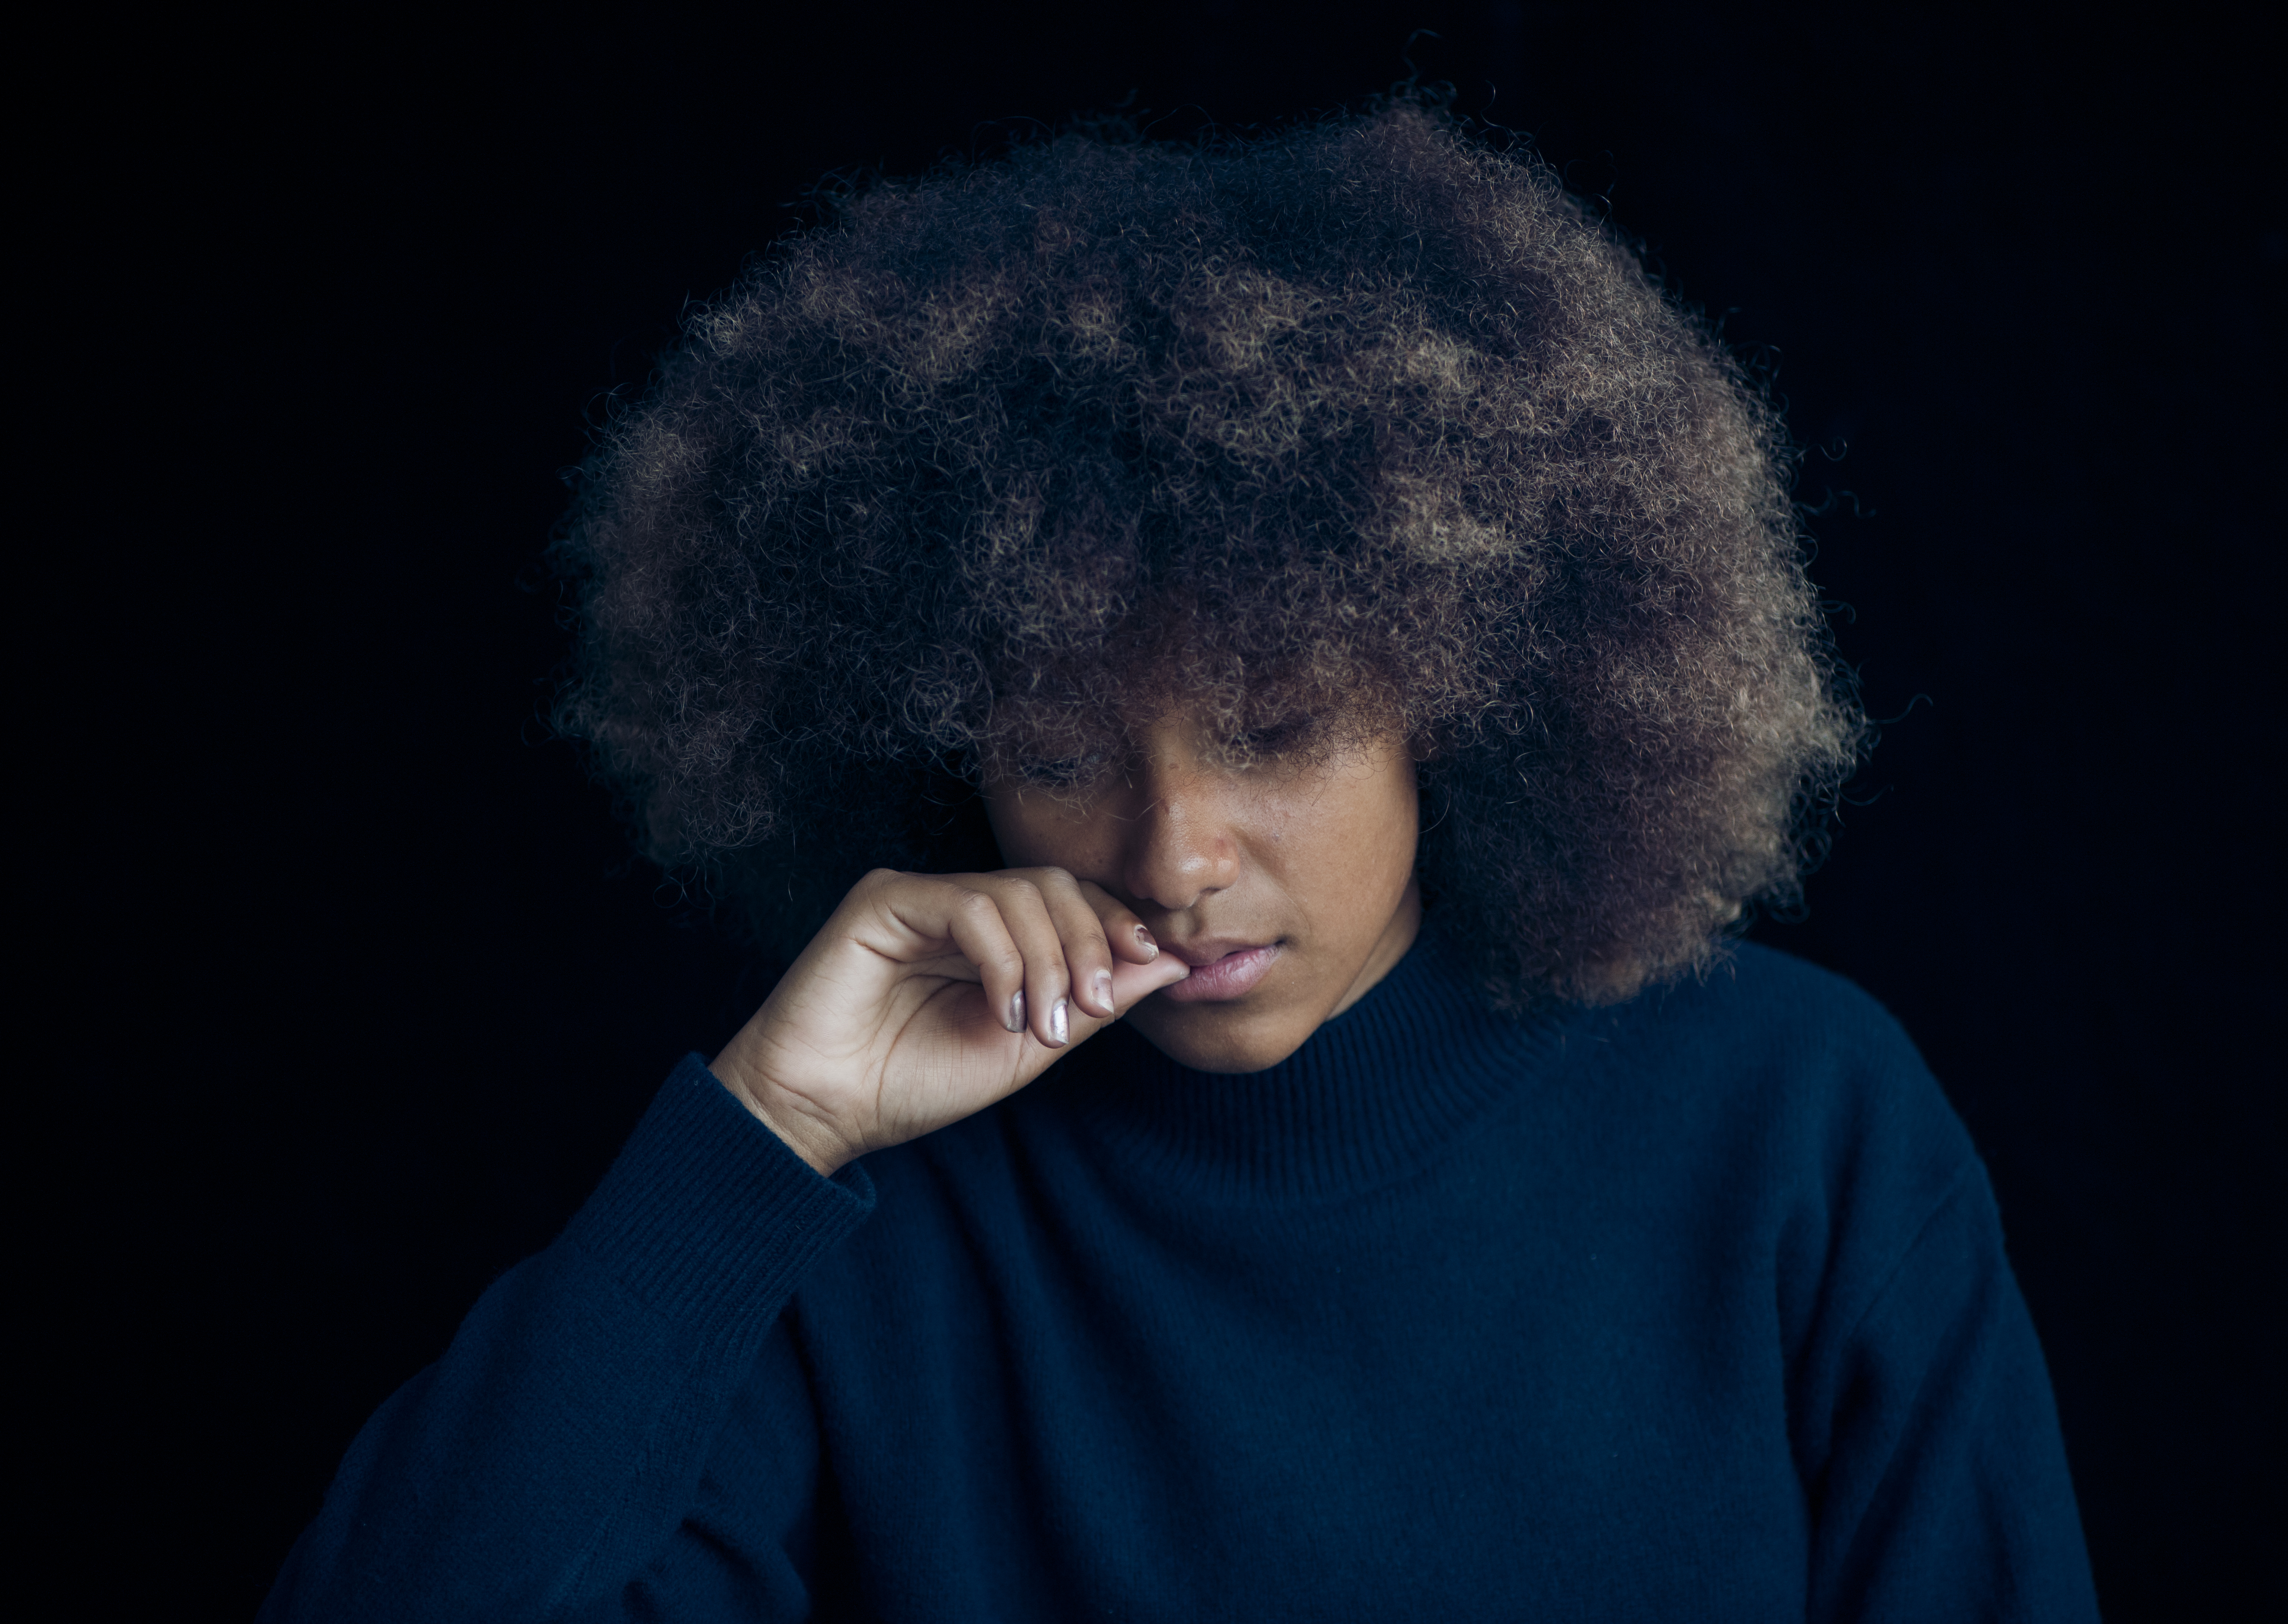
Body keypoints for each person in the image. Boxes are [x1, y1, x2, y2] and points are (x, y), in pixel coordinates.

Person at [262, 99, 2100, 1621]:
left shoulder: (1798, 1127)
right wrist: (765, 1133)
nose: (1172, 850)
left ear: (1462, 693)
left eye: (1277, 728)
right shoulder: (865, 1219)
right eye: (1059, 755)